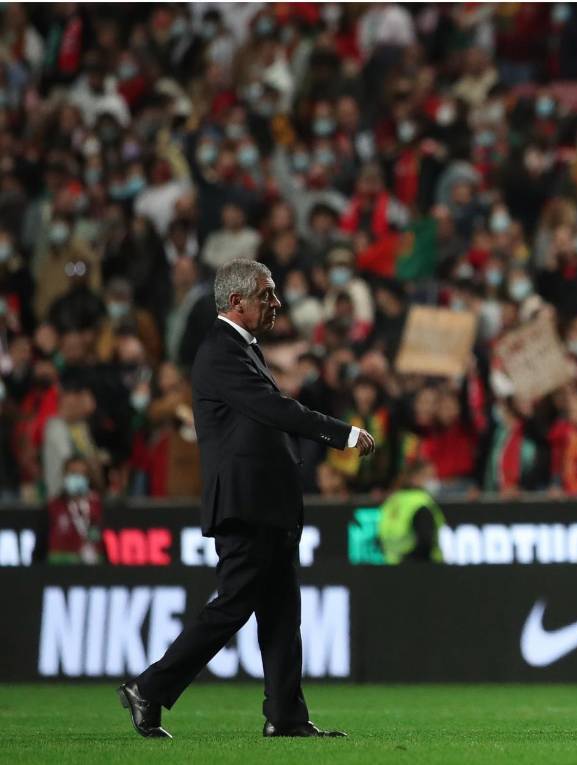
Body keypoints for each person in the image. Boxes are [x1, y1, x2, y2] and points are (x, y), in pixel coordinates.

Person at [118, 260, 375, 739]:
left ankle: (286, 717)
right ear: (237, 302)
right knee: (233, 606)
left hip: (266, 505)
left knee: (281, 612)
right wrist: (342, 434)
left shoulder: (241, 350)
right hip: (246, 504)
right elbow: (274, 409)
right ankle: (150, 688)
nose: (276, 304)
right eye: (267, 294)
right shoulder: (220, 352)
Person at [378, 461, 446, 564]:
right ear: (415, 478)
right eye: (430, 476)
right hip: (421, 569)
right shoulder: (421, 503)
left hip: (390, 565)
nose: (434, 481)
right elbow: (425, 541)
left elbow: (380, 537)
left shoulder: (391, 501)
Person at [45, 455, 103, 564]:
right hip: (61, 570)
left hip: (94, 571)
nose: (77, 477)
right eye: (73, 473)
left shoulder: (98, 505)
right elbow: (42, 544)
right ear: (65, 476)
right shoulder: (53, 507)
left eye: (81, 474)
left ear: (87, 477)